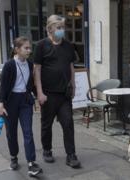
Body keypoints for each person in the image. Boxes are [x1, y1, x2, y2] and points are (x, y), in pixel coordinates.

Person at [33, 15, 80, 168]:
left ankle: (71, 155)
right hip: (48, 93)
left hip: (64, 94)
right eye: (59, 28)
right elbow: (37, 70)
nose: (62, 31)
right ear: (50, 29)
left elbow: (71, 67)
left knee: (68, 124)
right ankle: (47, 150)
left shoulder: (68, 45)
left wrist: (73, 85)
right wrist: (39, 92)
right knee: (46, 125)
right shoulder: (41, 45)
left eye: (62, 27)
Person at [0, 36, 42, 176]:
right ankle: (13, 157)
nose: (29, 50)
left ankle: (31, 163)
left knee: (28, 132)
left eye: (30, 48)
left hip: (25, 101)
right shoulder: (9, 65)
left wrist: (38, 96)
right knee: (11, 132)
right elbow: (4, 86)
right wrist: (1, 104)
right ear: (17, 49)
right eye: (26, 48)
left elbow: (30, 84)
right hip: (11, 102)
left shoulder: (30, 64)